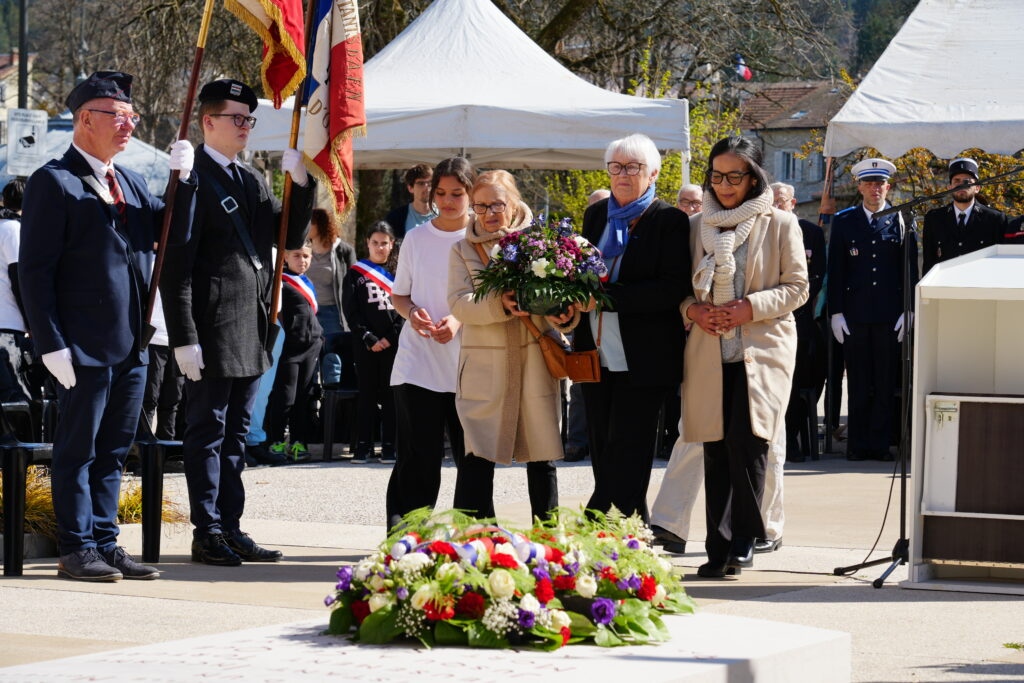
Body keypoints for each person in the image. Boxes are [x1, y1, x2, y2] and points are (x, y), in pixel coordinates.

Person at [19, 71, 196, 581]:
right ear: (84, 120)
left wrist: (185, 180)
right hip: (81, 347)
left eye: (131, 117)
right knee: (78, 449)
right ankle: (75, 547)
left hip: (132, 344)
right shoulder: (55, 182)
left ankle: (103, 539)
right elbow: (35, 271)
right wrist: (50, 343)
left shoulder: (133, 182)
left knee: (116, 449)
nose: (127, 125)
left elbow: (173, 235)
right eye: (117, 117)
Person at [160, 78, 315, 566]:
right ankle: (206, 531)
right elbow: (176, 263)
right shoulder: (191, 176)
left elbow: (287, 235)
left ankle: (230, 525)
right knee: (207, 431)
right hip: (210, 326)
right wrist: (184, 337)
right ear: (208, 122)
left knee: (235, 436)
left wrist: (304, 185)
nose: (246, 126)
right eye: (236, 118)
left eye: (250, 119)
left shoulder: (249, 180)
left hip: (250, 326)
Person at [682, 136, 807, 578]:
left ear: (754, 177)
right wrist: (695, 311)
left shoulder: (779, 223)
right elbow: (681, 294)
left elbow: (798, 288)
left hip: (763, 349)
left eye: (734, 176)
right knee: (715, 448)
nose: (725, 185)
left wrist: (747, 308)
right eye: (717, 176)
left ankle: (745, 538)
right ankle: (716, 548)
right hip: (710, 352)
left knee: (749, 444)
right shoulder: (698, 224)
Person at [573, 133, 690, 521]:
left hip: (644, 353)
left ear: (653, 172)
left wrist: (607, 298)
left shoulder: (668, 220)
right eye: (616, 167)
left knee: (631, 441)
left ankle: (602, 514)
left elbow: (670, 288)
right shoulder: (597, 214)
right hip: (595, 348)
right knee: (602, 439)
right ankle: (629, 519)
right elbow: (578, 273)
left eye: (633, 167)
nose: (623, 175)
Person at [448, 170, 571, 521]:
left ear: (514, 202)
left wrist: (563, 315)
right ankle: (471, 542)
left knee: (541, 454)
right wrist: (499, 303)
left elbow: (566, 299)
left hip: (535, 359)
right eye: (480, 206)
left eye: (496, 205)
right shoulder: (461, 249)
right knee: (478, 454)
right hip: (484, 368)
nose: (488, 213)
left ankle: (549, 543)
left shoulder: (544, 243)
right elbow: (458, 303)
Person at [385, 157, 473, 529]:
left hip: (469, 362)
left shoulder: (482, 238)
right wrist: (413, 313)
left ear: (472, 193)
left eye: (457, 193)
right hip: (418, 360)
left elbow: (490, 296)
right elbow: (399, 295)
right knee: (417, 455)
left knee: (473, 458)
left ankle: (471, 537)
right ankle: (404, 534)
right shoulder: (417, 239)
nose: (448, 201)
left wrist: (457, 318)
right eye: (441, 193)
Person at [827, 158, 918, 462]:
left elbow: (909, 268)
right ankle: (857, 444)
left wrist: (909, 310)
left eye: (880, 184)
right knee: (858, 381)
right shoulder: (845, 220)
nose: (875, 189)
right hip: (854, 316)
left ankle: (879, 444)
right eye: (869, 183)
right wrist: (835, 312)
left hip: (890, 316)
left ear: (888, 187)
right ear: (860, 186)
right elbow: (836, 270)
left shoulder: (901, 220)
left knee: (883, 382)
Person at [773, 182, 826, 463]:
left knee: (804, 379)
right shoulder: (762, 230)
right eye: (772, 201)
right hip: (767, 318)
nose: (777, 205)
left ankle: (792, 436)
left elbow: (816, 276)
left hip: (800, 318)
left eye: (782, 201)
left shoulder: (811, 233)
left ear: (792, 203)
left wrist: (791, 304)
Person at [342, 221, 403, 464]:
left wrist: (390, 337)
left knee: (390, 396)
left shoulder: (399, 273)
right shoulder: (355, 273)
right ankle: (363, 446)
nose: (379, 248)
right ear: (367, 243)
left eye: (384, 243)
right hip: (365, 344)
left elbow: (404, 311)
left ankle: (389, 447)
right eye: (375, 243)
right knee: (366, 396)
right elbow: (351, 310)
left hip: (393, 344)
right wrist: (368, 337)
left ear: (392, 245)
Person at [564, 189, 609, 462]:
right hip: (582, 329)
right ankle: (578, 441)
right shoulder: (572, 249)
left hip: (616, 329)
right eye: (594, 208)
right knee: (580, 386)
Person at [267, 240, 323, 462]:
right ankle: (277, 441)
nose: (302, 260)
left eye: (306, 256)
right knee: (285, 397)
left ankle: (299, 442)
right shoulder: (281, 281)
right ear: (286, 258)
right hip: (289, 348)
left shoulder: (307, 281)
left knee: (304, 397)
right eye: (297, 256)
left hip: (311, 347)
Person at [922, 158, 1009, 275]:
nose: (961, 185)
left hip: (980, 286)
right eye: (956, 181)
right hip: (944, 287)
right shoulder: (935, 219)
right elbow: (929, 261)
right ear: (949, 187)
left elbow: (1000, 264)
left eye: (967, 181)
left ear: (977, 188)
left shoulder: (994, 219)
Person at [307, 207, 356, 388]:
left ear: (320, 225)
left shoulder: (342, 251)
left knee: (332, 359)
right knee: (310, 359)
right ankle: (311, 405)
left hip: (332, 312)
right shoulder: (303, 248)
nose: (306, 226)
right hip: (308, 312)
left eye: (310, 223)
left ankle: (333, 406)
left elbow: (353, 282)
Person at [0, 178, 31, 401]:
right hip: (9, 324)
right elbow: (19, 279)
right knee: (15, 396)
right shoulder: (13, 230)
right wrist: (32, 321)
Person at [385, 163, 437, 239]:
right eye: (421, 183)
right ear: (410, 188)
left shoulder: (445, 214)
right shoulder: (395, 218)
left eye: (430, 183)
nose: (427, 188)